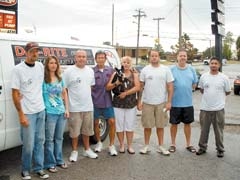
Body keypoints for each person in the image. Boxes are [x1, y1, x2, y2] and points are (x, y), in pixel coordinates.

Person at [11, 42, 49, 179]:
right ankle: (25, 169)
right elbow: (15, 93)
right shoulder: (18, 69)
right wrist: (21, 114)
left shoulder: (40, 66)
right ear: (26, 53)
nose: (35, 54)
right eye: (32, 51)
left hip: (40, 110)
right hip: (27, 112)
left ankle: (39, 168)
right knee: (28, 144)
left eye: (37, 51)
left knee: (40, 141)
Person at [137, 49, 174, 156]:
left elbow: (170, 87)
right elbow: (141, 87)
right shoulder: (145, 70)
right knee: (147, 126)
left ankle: (161, 146)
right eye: (152, 56)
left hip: (161, 103)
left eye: (156, 56)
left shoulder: (166, 70)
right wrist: (139, 101)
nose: (154, 57)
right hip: (147, 103)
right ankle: (146, 146)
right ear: (149, 57)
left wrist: (169, 102)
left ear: (159, 57)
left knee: (160, 126)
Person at [63, 50, 98, 161]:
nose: (82, 58)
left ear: (86, 58)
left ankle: (87, 150)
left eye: (83, 56)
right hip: (74, 108)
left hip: (88, 106)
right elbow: (64, 89)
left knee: (87, 130)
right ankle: (74, 151)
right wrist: (67, 106)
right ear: (75, 58)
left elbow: (91, 87)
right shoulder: (69, 71)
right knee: (74, 132)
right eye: (79, 56)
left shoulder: (90, 71)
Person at [196, 57, 231, 158]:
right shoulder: (204, 76)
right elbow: (202, 89)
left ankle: (220, 150)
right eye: (212, 63)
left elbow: (228, 91)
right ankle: (202, 148)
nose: (213, 65)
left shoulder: (224, 78)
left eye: (216, 63)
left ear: (219, 65)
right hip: (205, 109)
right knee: (204, 130)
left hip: (219, 109)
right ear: (209, 64)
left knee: (219, 131)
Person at [106, 56, 140, 154]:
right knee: (119, 126)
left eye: (128, 62)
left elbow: (137, 87)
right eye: (124, 62)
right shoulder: (116, 74)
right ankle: (121, 145)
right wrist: (117, 83)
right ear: (121, 63)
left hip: (131, 104)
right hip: (118, 104)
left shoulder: (135, 74)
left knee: (130, 125)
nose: (126, 64)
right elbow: (108, 87)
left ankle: (129, 146)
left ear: (131, 64)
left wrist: (126, 93)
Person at [43, 56, 69, 173]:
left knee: (59, 138)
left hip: (61, 112)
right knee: (49, 139)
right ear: (47, 65)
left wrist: (67, 109)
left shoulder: (60, 78)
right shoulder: (44, 80)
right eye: (51, 63)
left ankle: (59, 160)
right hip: (50, 113)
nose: (53, 65)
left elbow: (64, 94)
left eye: (55, 63)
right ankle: (50, 163)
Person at [168, 49, 198, 153]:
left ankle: (188, 144)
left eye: (184, 56)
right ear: (177, 57)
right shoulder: (171, 69)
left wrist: (189, 89)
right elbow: (167, 84)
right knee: (174, 124)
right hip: (175, 102)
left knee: (188, 124)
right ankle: (172, 144)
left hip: (188, 103)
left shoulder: (191, 69)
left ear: (186, 57)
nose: (182, 58)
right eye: (181, 56)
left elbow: (195, 83)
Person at [91, 50, 118, 156]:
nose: (101, 59)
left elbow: (120, 75)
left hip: (107, 101)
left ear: (105, 59)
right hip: (95, 101)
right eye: (99, 58)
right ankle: (99, 142)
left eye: (103, 57)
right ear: (96, 59)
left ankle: (111, 145)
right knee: (96, 123)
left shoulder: (111, 70)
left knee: (111, 122)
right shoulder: (91, 71)